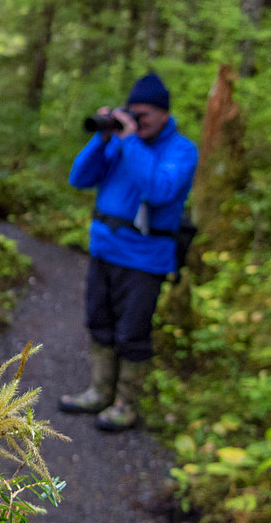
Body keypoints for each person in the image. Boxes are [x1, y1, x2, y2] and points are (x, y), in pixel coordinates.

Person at [60, 73, 197, 431]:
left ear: (164, 114)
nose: (137, 121)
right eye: (131, 114)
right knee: (99, 322)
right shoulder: (123, 142)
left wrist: (130, 140)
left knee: (132, 332)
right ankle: (99, 392)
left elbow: (160, 190)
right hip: (105, 249)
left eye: (145, 114)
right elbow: (79, 178)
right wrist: (102, 137)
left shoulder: (181, 150)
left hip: (145, 259)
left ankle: (125, 404)